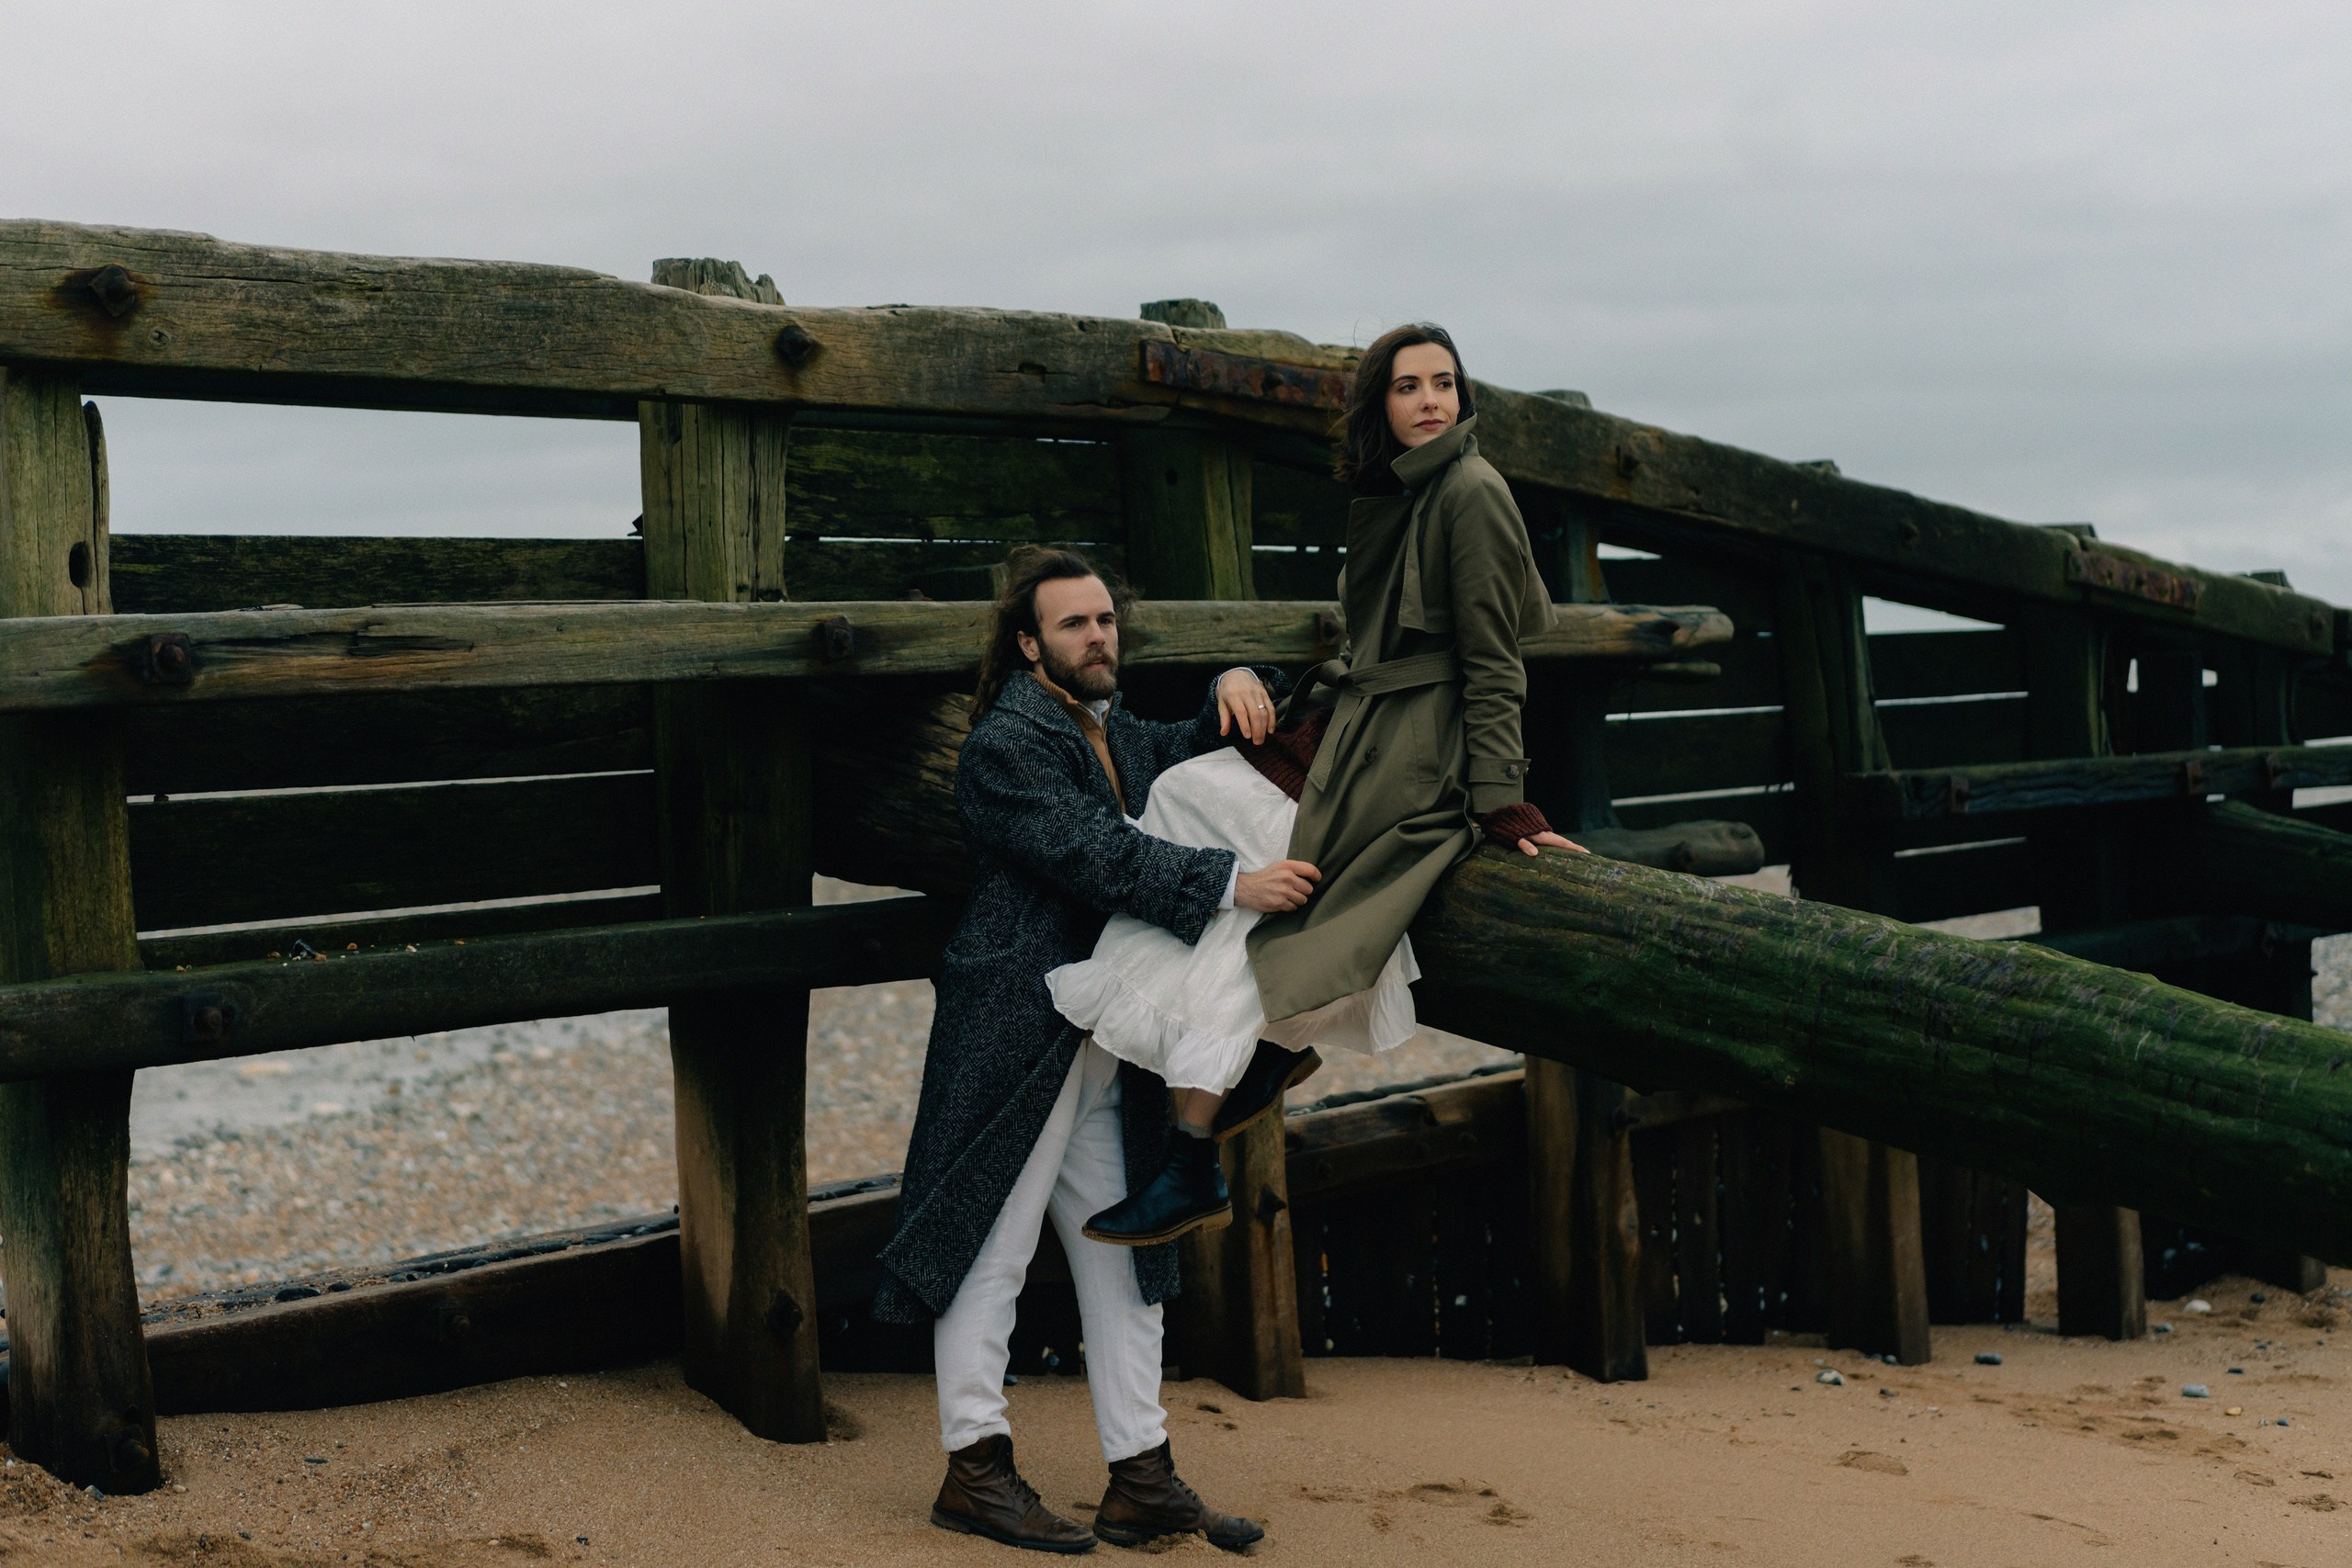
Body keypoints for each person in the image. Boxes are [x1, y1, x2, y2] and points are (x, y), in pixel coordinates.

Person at [1054, 322, 1583, 1249]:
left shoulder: (1471, 491)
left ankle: (1192, 1149)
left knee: (1258, 895)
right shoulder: (1394, 493)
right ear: (1379, 401)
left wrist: (1503, 803)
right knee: (1184, 796)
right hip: (1346, 728)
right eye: (1408, 386)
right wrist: (1264, 689)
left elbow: (1495, 664)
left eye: (1445, 385)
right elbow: (1359, 645)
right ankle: (1248, 1070)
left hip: (1409, 757)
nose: (1429, 402)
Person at [874, 546, 1286, 1554]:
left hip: (1106, 1038)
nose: (1096, 636)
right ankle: (973, 1469)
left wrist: (1238, 680)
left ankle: (1141, 1478)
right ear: (1028, 645)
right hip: (1019, 1028)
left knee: (1128, 1256)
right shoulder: (1006, 747)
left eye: (1104, 619)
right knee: (989, 1248)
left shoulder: (1106, 728)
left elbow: (1193, 742)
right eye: (1073, 624)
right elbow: (1090, 852)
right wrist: (1231, 883)